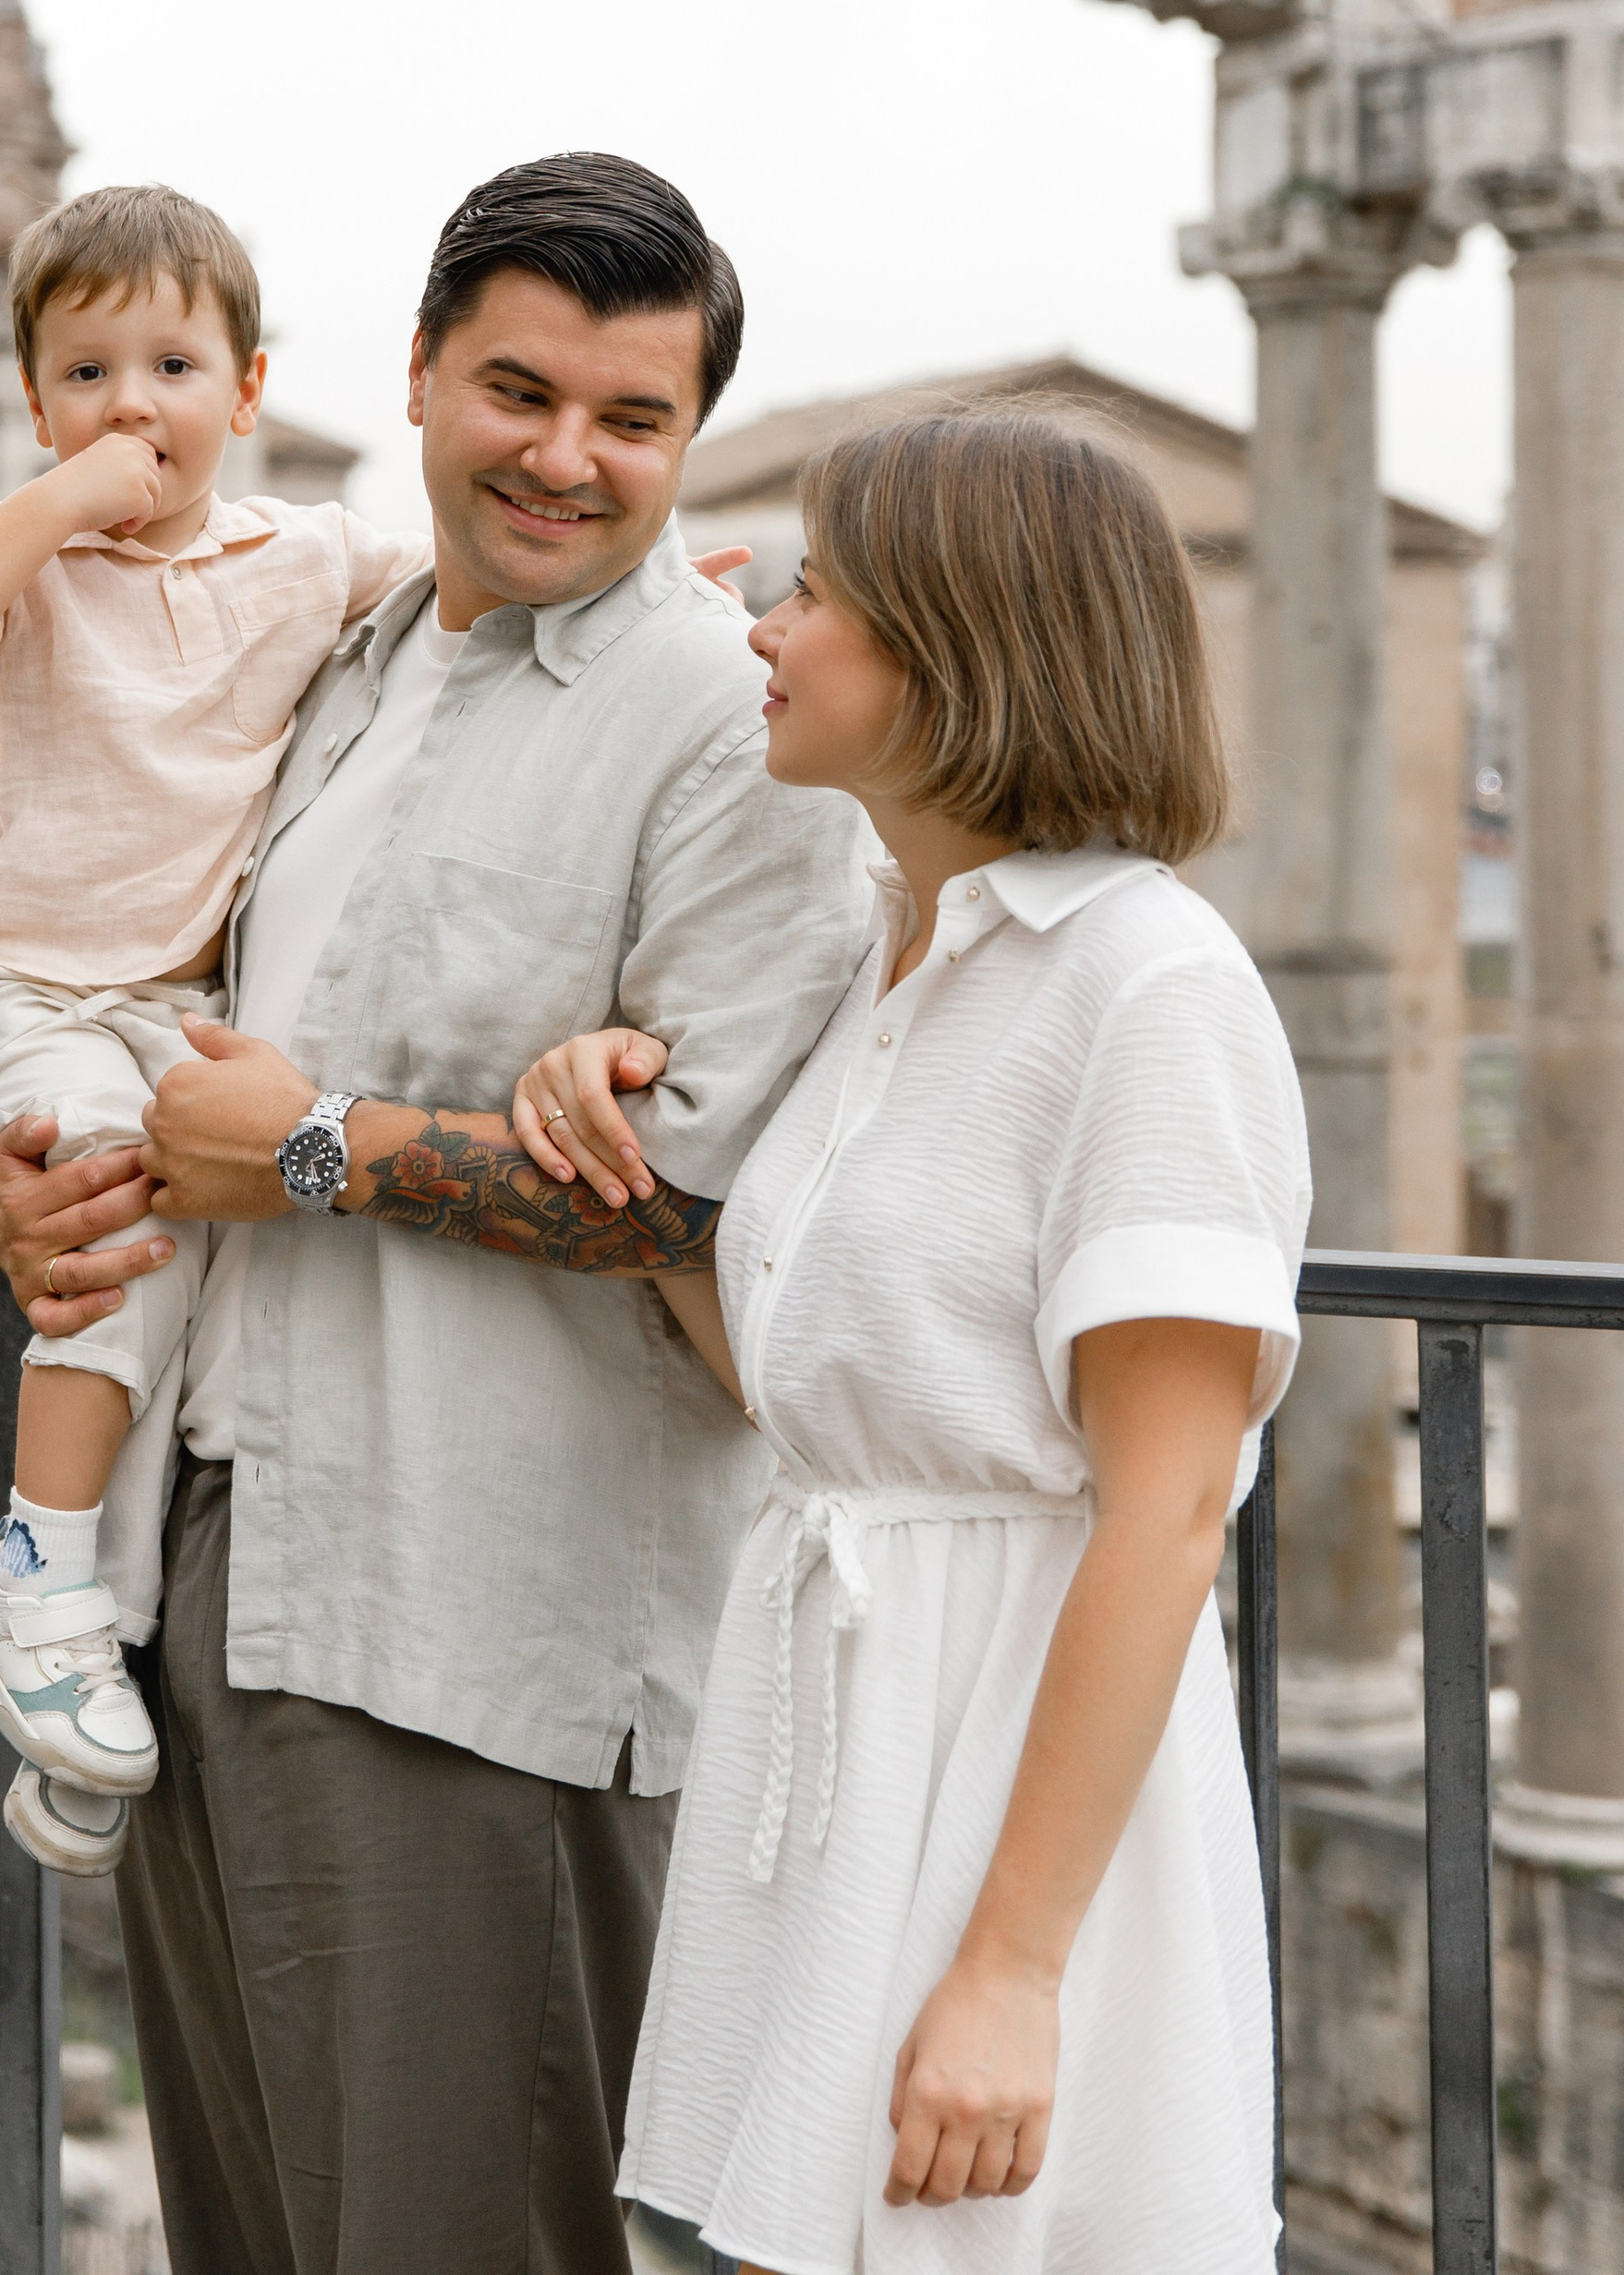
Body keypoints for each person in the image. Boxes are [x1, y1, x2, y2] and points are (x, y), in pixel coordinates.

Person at [0, 150, 875, 2275]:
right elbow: (182, 1024)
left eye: (630, 418)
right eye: (517, 393)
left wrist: (313, 1152)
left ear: (688, 439)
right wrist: (70, 1194)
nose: (565, 459)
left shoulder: (729, 731)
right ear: (411, 380)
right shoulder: (346, 656)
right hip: (226, 1581)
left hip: (488, 1643)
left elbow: (704, 1206)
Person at [513, 409, 1310, 2271]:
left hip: (1007, 1782)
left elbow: (1167, 1513)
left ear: (964, 652)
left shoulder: (1150, 986)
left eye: (812, 594)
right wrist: (608, 1153)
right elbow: (824, 1392)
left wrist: (1012, 1974)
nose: (761, 633)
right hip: (828, 1756)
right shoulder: (889, 957)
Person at [0, 181, 427, 1873]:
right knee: (105, 1201)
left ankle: (80, 1655)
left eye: (172, 365)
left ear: (248, 394)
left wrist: (661, 589)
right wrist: (52, 508)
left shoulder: (306, 553)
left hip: (174, 1004)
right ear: (35, 405)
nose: (131, 406)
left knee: (181, 1281)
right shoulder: (21, 568)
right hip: (16, 984)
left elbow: (472, 600)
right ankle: (34, 1561)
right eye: (86, 372)